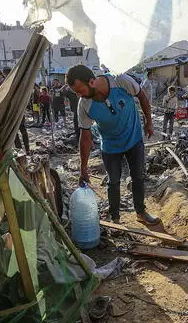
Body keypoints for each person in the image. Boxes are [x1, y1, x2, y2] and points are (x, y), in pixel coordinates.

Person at [66, 64, 160, 226]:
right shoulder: (84, 105)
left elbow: (142, 96)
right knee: (113, 181)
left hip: (133, 138)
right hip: (110, 145)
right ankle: (115, 217)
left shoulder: (120, 80)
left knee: (138, 177)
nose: (80, 95)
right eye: (77, 93)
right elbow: (85, 137)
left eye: (81, 90)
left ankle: (141, 212)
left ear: (92, 82)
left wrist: (149, 122)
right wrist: (83, 167)